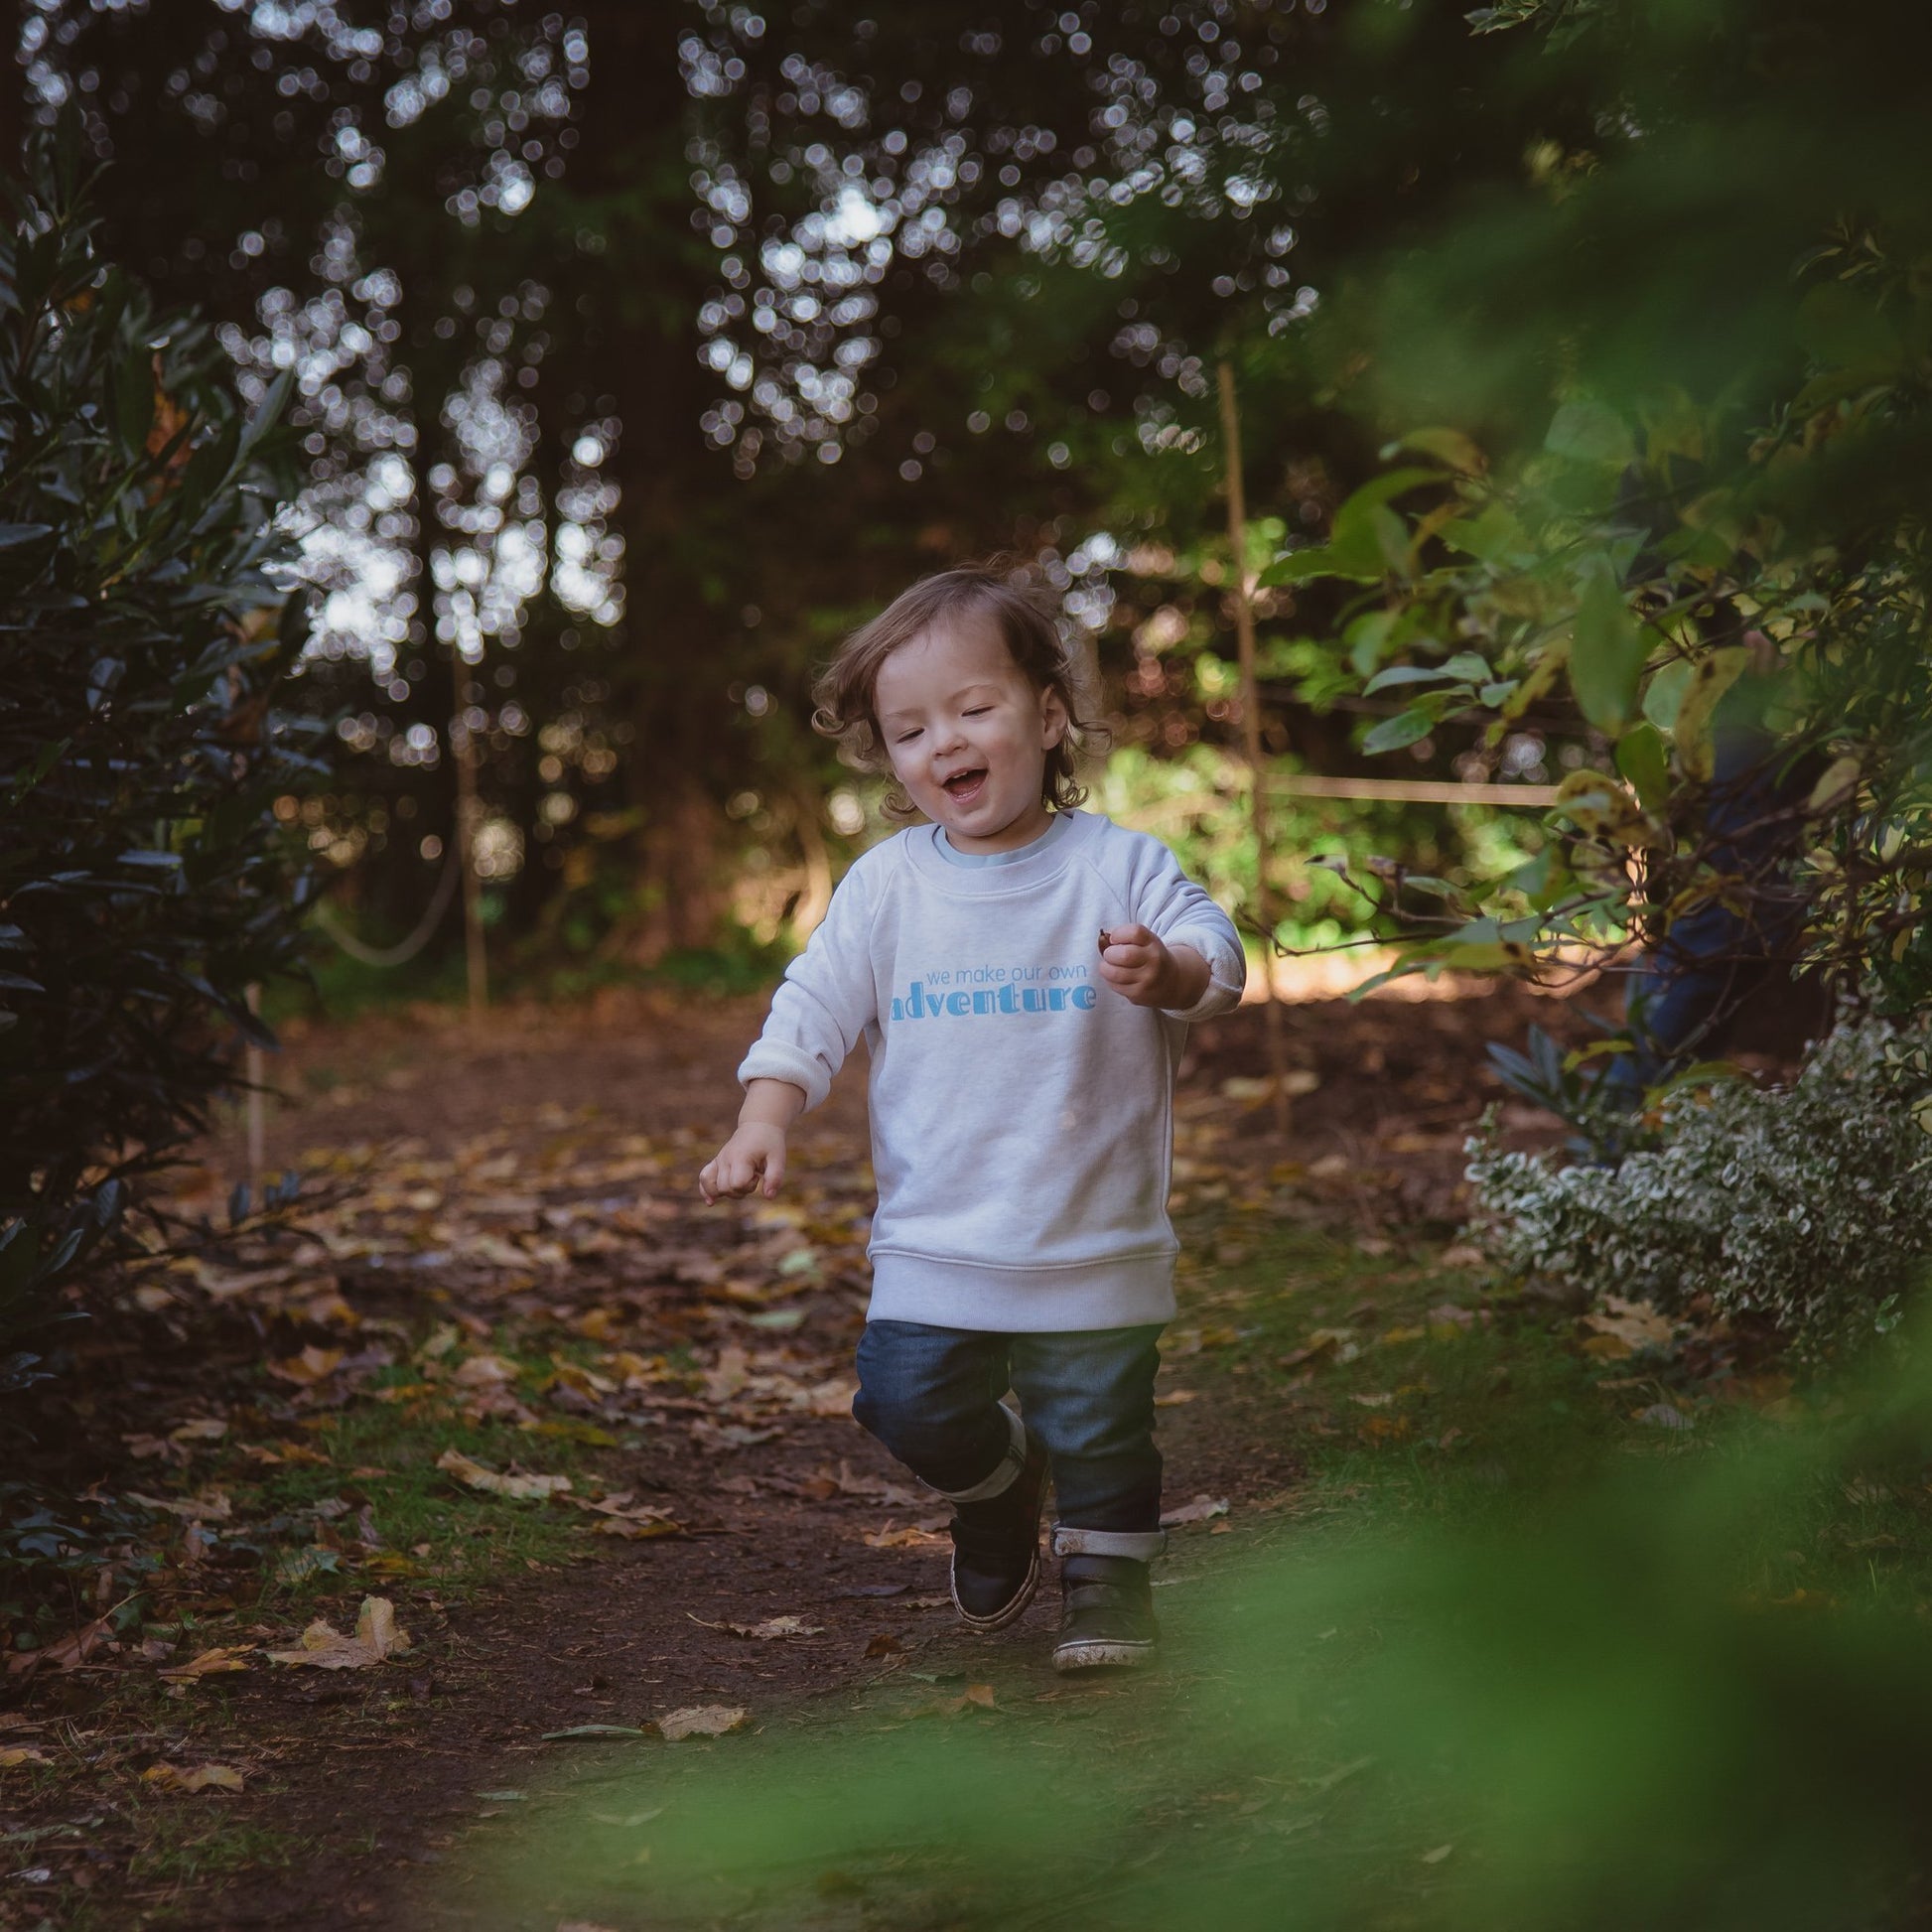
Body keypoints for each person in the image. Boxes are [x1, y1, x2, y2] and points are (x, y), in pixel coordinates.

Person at [699, 566, 1245, 1671]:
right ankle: (995, 1488)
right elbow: (813, 1003)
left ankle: (1106, 1592)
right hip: (937, 1230)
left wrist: (1170, 965)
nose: (941, 740)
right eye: (909, 727)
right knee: (903, 1399)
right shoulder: (888, 885)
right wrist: (765, 1112)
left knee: (1098, 1424)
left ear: (1047, 717)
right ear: (890, 757)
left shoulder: (1117, 866)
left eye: (972, 707)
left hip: (1090, 1224)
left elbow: (1221, 956)